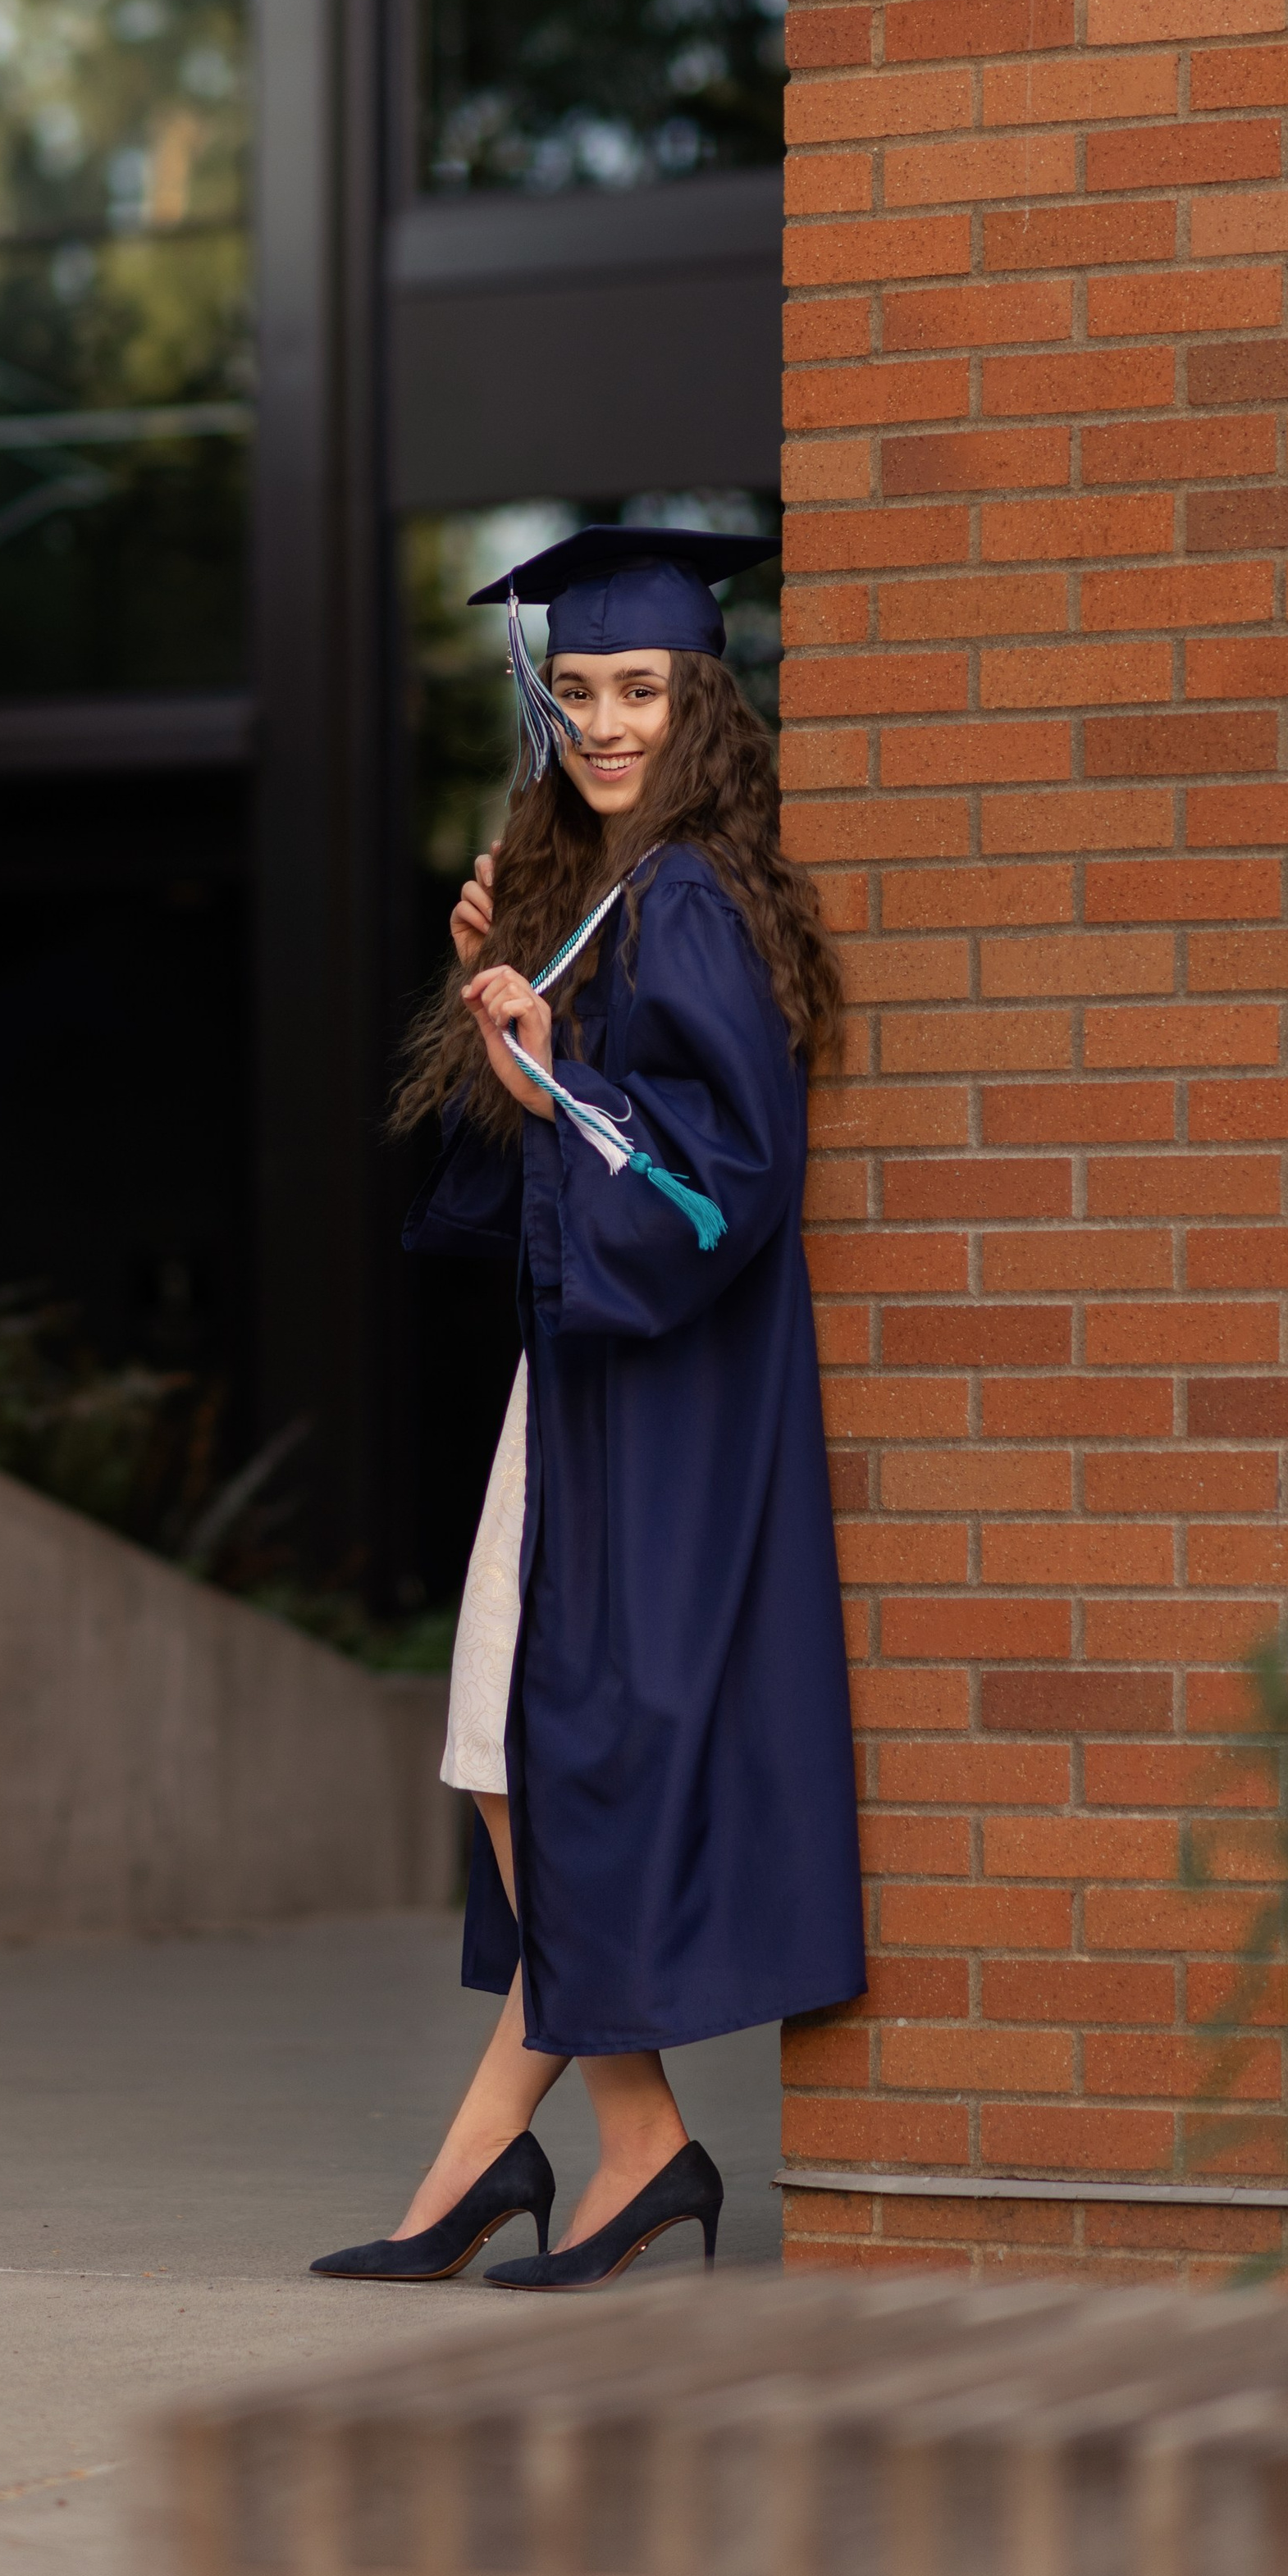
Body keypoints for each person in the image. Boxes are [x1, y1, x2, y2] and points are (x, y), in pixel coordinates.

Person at [311, 523, 865, 2293]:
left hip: (654, 1397)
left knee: (526, 1749)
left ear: (701, 700)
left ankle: (529, 2166)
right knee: (501, 1750)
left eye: (640, 690)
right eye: (577, 691)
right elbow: (537, 1154)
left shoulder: (687, 896)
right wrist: (512, 981)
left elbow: (728, 1182)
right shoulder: (620, 899)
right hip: (583, 1382)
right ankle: (617, 2146)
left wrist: (556, 1090)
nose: (606, 723)